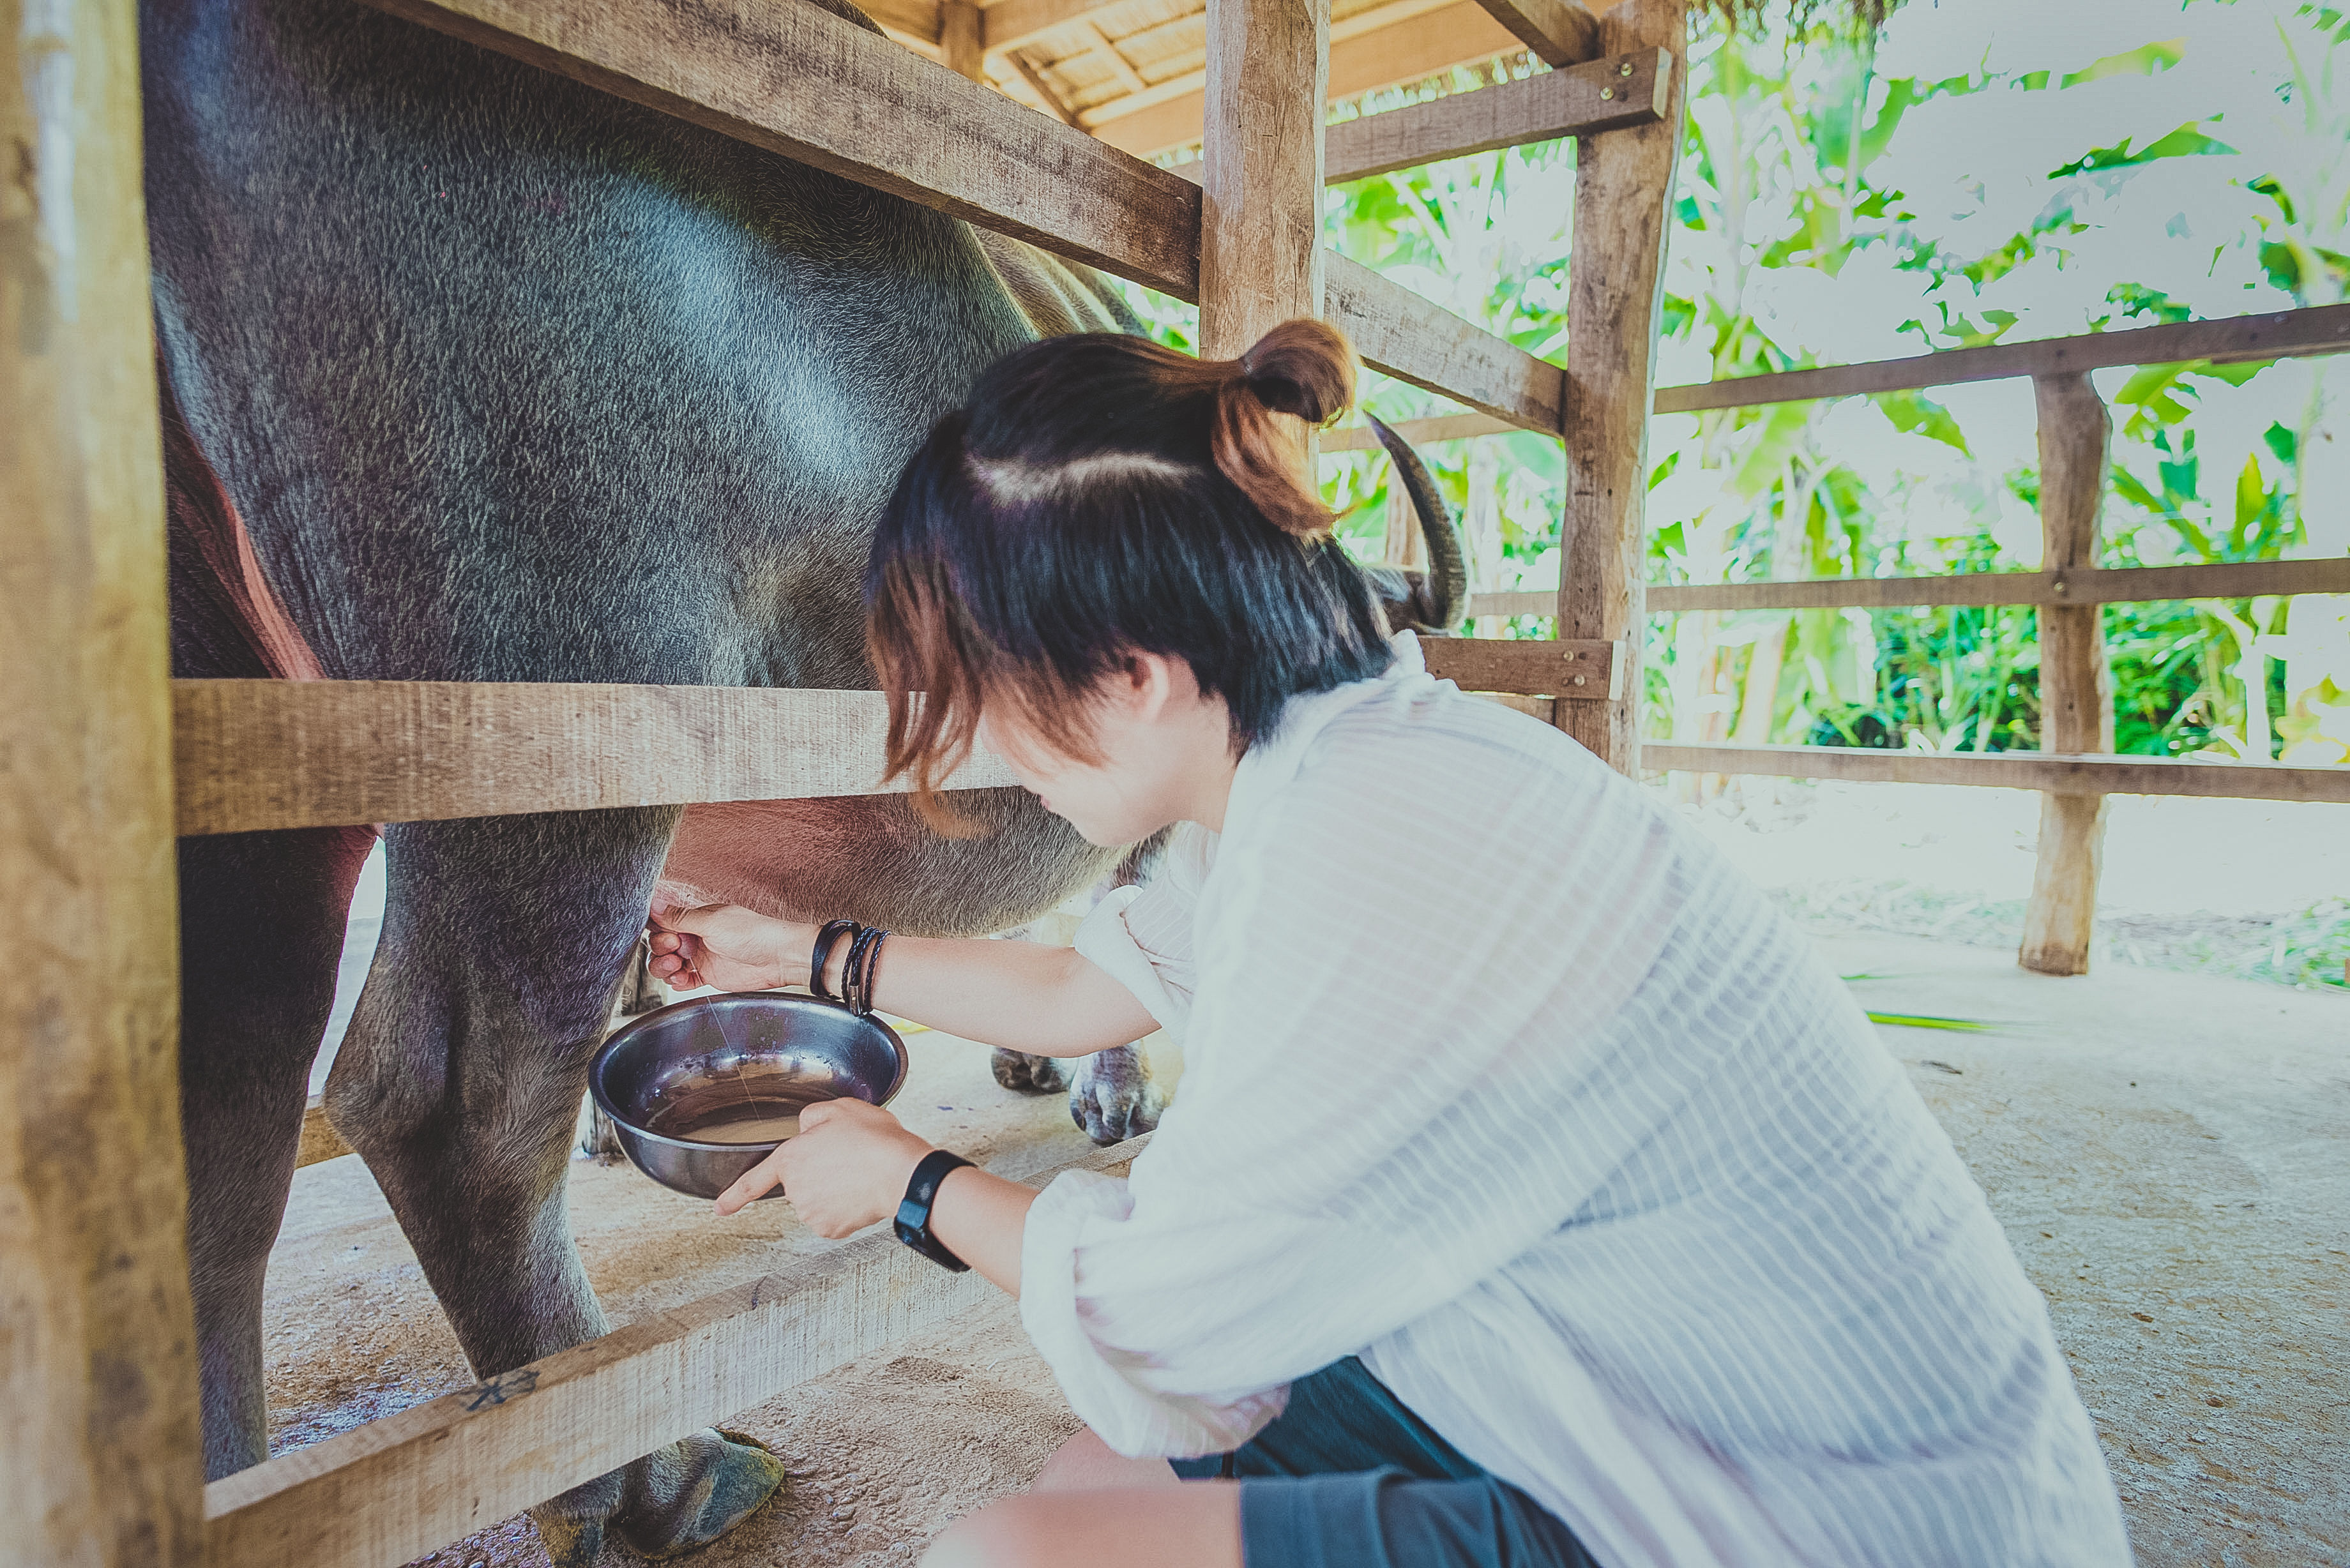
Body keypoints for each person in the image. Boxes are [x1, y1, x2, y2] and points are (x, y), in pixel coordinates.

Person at [646, 320, 2131, 1568]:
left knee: (1009, 1552)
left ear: (1137, 676)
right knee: (1092, 1461)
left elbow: (1171, 1327)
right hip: (1620, 1385)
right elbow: (1088, 988)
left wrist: (913, 1180)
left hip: (1810, 1517)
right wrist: (803, 952)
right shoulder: (1332, 761)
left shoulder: (1374, 851)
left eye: (977, 687)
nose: (970, 742)